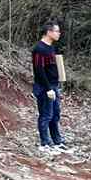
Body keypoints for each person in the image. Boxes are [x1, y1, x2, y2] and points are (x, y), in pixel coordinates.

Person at [32, 21, 66, 152]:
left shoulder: (51, 47)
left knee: (55, 114)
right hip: (44, 87)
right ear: (49, 32)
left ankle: (57, 140)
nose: (59, 34)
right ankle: (44, 143)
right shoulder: (39, 49)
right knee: (46, 114)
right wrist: (48, 89)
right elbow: (39, 70)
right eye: (57, 31)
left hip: (54, 86)